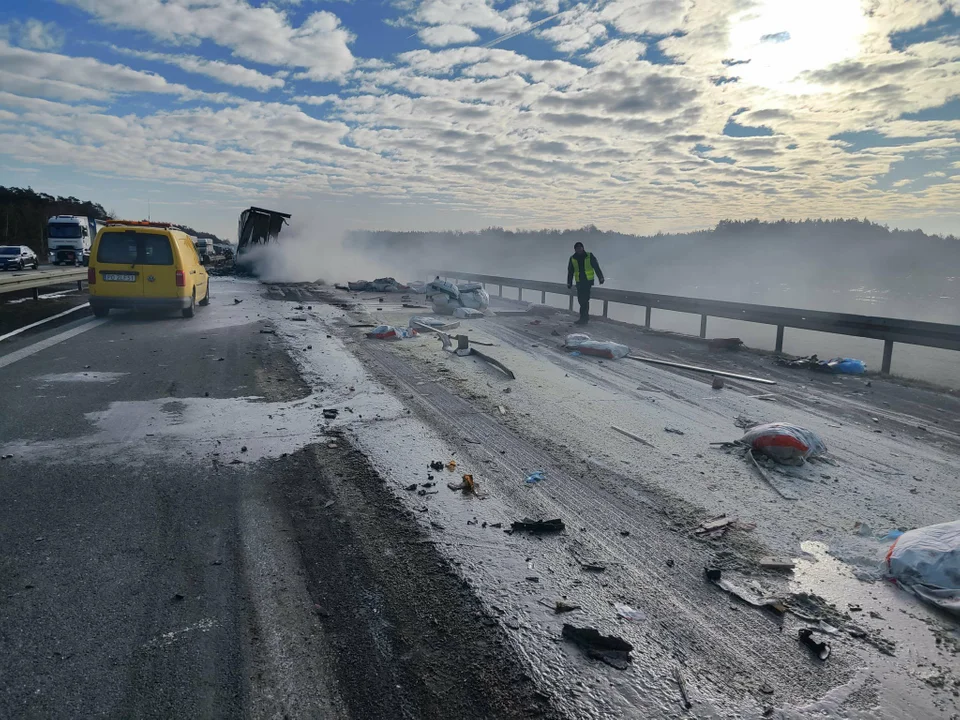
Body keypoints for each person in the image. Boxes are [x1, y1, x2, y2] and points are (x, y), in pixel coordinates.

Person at [567, 241, 604, 325]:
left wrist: (600, 277)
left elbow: (596, 267)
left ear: (583, 248)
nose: (579, 249)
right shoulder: (573, 258)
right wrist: (569, 282)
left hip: (587, 282)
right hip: (579, 282)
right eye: (577, 248)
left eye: (580, 247)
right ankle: (583, 318)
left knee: (585, 300)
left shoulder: (589, 256)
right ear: (575, 250)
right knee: (581, 300)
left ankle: (584, 319)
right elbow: (570, 272)